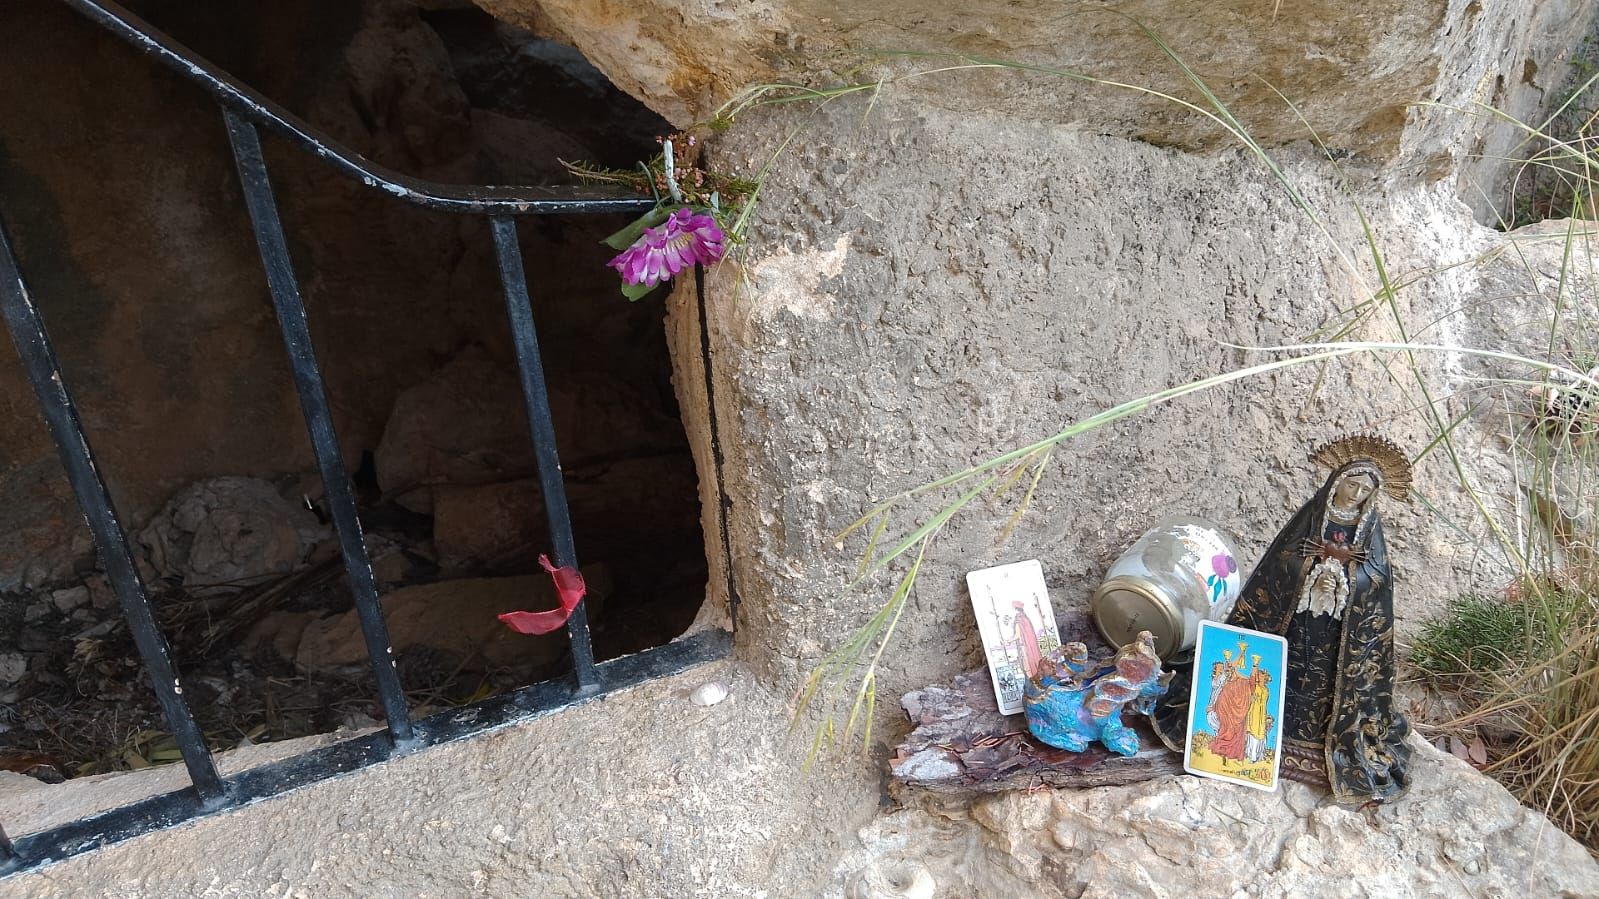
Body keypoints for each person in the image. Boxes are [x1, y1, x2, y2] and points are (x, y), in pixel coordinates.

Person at [1152, 434, 1414, 804]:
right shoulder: (1311, 518)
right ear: (1336, 483)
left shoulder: (1370, 533)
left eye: (1363, 490)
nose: (1355, 495)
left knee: (1323, 682)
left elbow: (1377, 580)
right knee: (1284, 669)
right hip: (1296, 621)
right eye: (1350, 485)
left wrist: (1346, 577)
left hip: (1338, 629)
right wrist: (1311, 568)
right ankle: (1265, 732)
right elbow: (1282, 563)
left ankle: (1318, 741)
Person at [1244, 666, 1272, 764]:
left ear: (1265, 679)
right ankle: (1249, 754)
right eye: (1258, 676)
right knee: (1250, 733)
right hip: (1252, 712)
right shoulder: (1255, 686)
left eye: (1261, 676)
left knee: (1258, 734)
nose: (1259, 678)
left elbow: (1263, 702)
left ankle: (1255, 755)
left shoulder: (1265, 690)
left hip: (1260, 714)